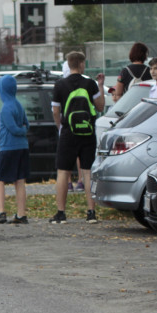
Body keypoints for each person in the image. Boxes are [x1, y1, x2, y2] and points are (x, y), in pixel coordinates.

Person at [50, 51, 105, 224]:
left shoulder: (60, 85)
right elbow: (101, 107)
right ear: (81, 64)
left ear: (68, 64)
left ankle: (61, 213)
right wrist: (101, 86)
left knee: (63, 171)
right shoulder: (90, 84)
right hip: (87, 133)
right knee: (87, 172)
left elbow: (55, 111)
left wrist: (61, 127)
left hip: (68, 133)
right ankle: (91, 213)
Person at [0, 74, 30, 225]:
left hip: (8, 147)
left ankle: (1, 212)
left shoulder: (5, 108)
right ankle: (21, 214)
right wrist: (4, 129)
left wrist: (7, 130)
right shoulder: (18, 104)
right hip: (22, 147)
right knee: (19, 180)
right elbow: (26, 125)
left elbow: (15, 129)